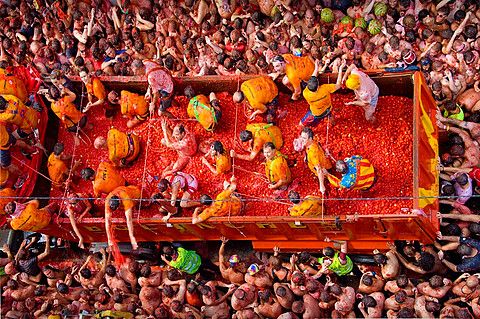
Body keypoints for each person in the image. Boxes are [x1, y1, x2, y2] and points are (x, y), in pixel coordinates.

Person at [301, 59, 345, 127]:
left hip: (316, 113)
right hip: (327, 109)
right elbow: (338, 85)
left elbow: (313, 78)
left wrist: (316, 67)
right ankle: (333, 124)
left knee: (301, 124)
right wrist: (341, 69)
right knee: (329, 115)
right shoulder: (325, 88)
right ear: (318, 86)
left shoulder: (305, 93)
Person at [293, 127, 332, 193]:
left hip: (323, 171)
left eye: (304, 138)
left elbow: (319, 169)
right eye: (301, 137)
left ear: (310, 139)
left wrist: (321, 185)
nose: (301, 140)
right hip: (323, 161)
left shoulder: (313, 154)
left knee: (325, 181)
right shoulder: (313, 141)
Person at [105, 185, 142, 250]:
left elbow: (129, 220)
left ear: (119, 202)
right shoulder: (108, 200)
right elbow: (107, 221)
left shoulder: (126, 199)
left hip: (135, 193)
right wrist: (109, 238)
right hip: (122, 188)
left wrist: (132, 237)